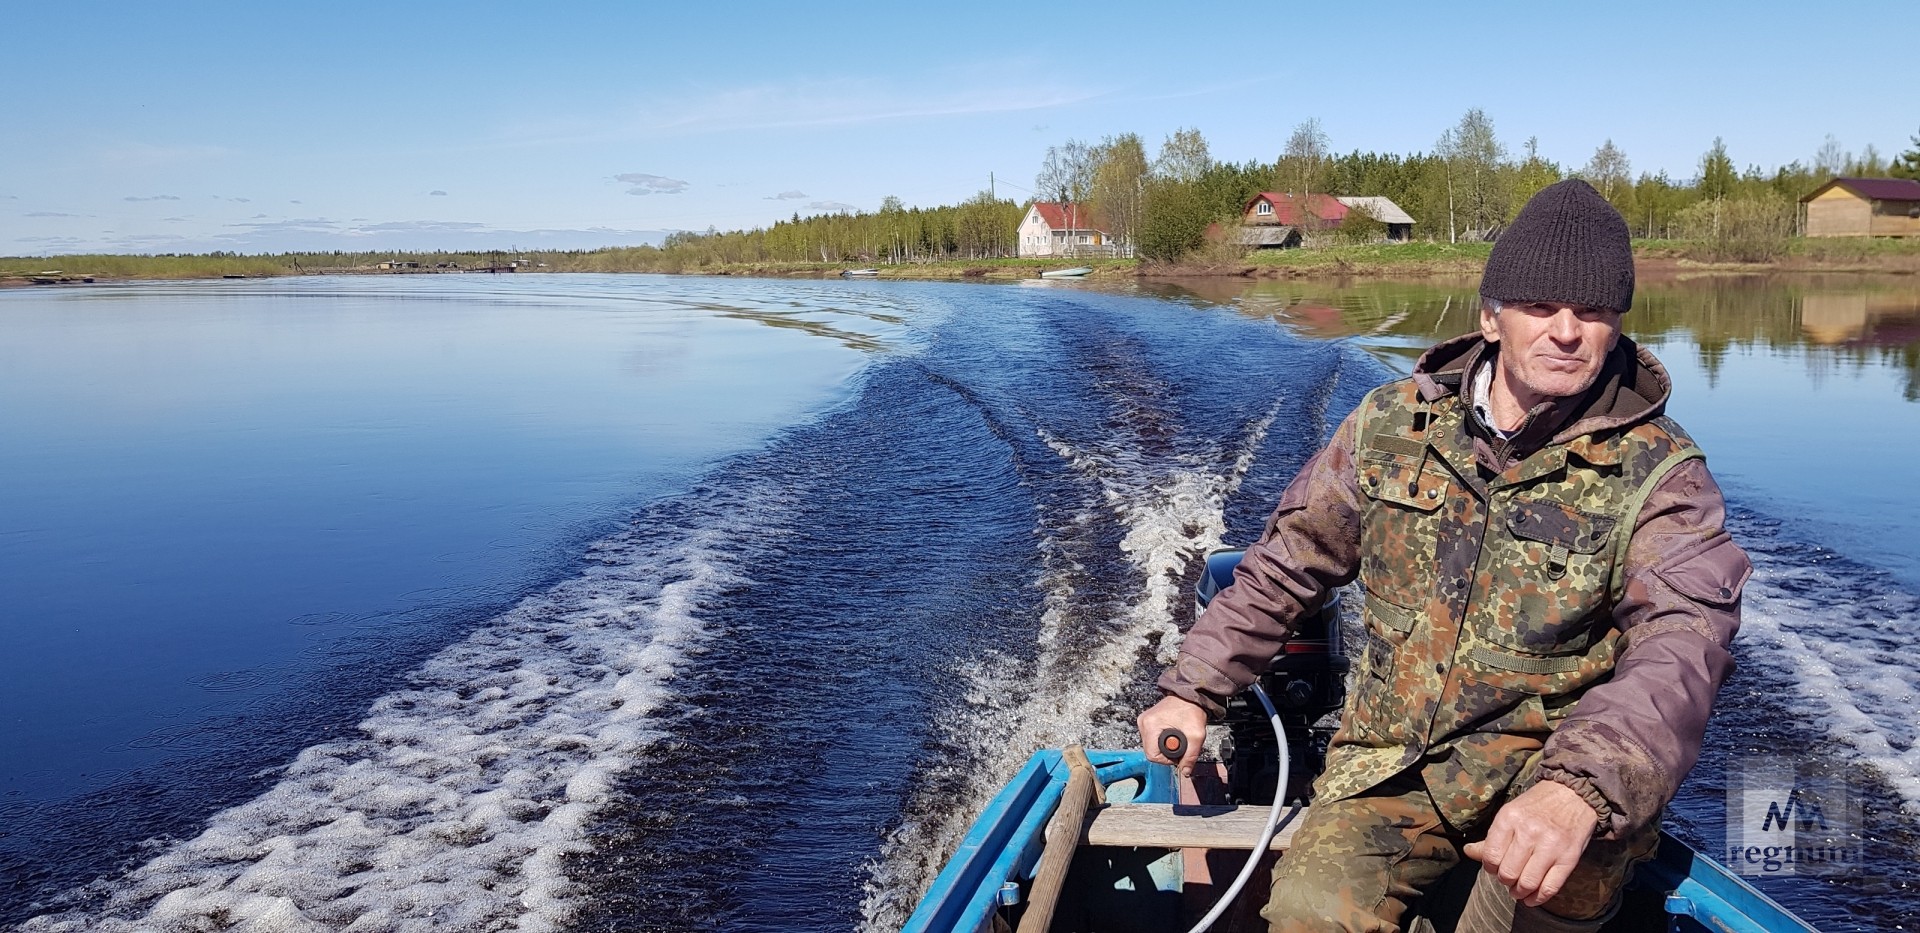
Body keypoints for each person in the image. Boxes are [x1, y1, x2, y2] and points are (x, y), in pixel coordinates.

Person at [1136, 179, 1750, 933]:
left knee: (1573, 870)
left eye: (1592, 311)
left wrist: (1579, 791)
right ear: (1492, 316)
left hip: (1552, 775)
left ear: (1617, 325)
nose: (1566, 330)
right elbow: (1287, 564)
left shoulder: (1662, 474)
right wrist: (1194, 688)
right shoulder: (1392, 426)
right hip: (1392, 768)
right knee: (1306, 912)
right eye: (1540, 306)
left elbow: (1684, 645)